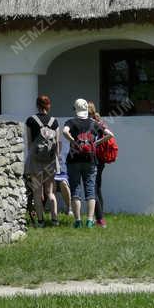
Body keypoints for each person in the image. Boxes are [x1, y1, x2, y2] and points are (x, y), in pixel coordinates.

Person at [63, 98, 113, 229]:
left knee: (75, 189)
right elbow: (109, 134)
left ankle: (78, 220)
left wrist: (73, 141)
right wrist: (95, 143)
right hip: (90, 160)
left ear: (75, 109)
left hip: (73, 160)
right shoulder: (94, 123)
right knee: (90, 190)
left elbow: (64, 132)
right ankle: (90, 220)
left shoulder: (71, 122)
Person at [25, 95, 61, 227]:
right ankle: (55, 219)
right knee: (50, 192)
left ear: (37, 105)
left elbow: (29, 143)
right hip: (50, 161)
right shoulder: (54, 121)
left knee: (37, 192)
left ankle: (40, 221)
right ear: (48, 105)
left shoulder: (30, 120)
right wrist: (55, 159)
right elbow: (57, 142)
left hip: (35, 161)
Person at [87, 101, 113, 228]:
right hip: (101, 160)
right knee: (97, 187)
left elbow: (110, 135)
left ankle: (100, 219)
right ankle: (100, 216)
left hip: (95, 159)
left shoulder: (94, 124)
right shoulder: (99, 122)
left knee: (94, 188)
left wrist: (95, 144)